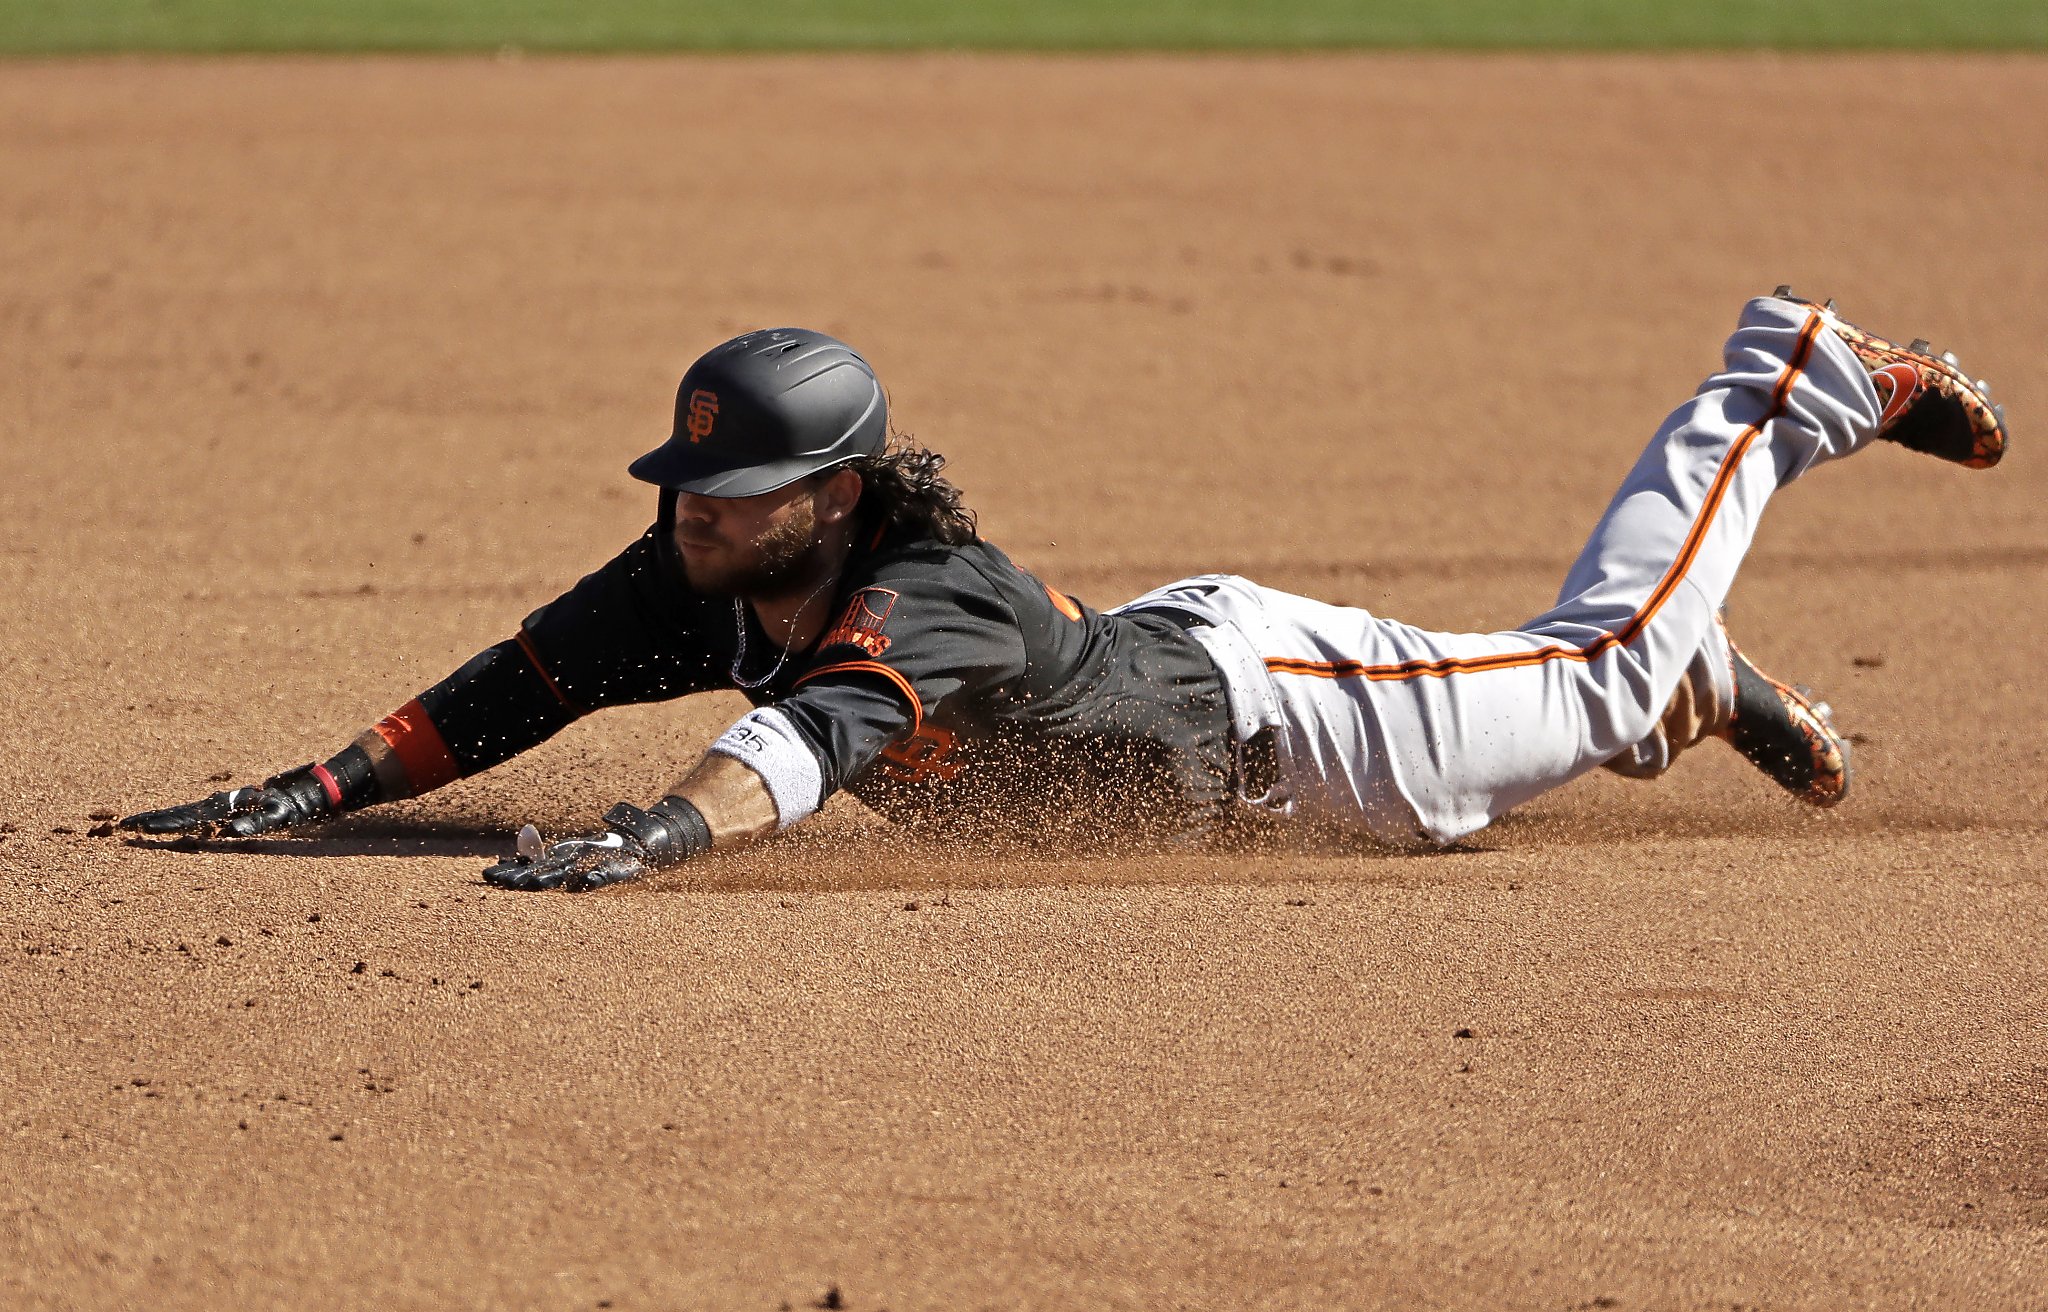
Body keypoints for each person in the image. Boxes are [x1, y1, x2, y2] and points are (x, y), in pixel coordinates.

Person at [120, 289, 2009, 889]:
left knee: (1599, 662)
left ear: (835, 493)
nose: (694, 514)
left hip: (1308, 727)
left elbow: (795, 752)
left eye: (737, 487)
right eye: (690, 482)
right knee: (1580, 698)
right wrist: (314, 789)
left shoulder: (914, 589)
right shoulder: (711, 566)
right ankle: (1711, 694)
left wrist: (647, 844)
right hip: (1208, 692)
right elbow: (522, 681)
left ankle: (1793, 373)